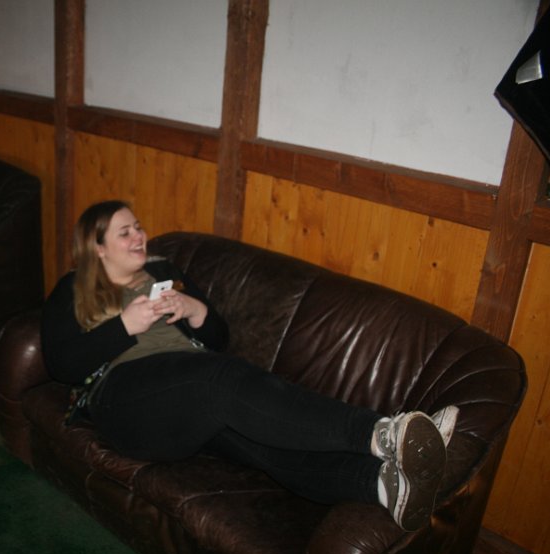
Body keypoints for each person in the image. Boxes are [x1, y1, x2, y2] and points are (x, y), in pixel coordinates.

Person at [41, 200, 458, 531]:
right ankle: (382, 433)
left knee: (266, 442)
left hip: (186, 399)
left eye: (138, 227)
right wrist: (124, 326)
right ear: (98, 247)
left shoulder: (164, 270)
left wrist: (195, 310)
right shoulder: (73, 287)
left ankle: (383, 484)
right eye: (125, 232)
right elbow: (61, 364)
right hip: (124, 401)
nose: (139, 236)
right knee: (219, 376)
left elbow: (218, 338)